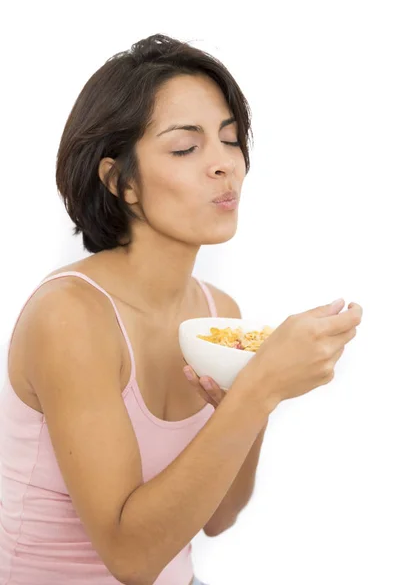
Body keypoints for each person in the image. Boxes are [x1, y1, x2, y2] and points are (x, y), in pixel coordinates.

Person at [0, 33, 363, 585]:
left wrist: (250, 403)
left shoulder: (220, 310)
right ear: (120, 181)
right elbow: (132, 560)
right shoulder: (70, 316)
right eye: (185, 148)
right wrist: (262, 385)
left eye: (231, 140)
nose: (225, 166)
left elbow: (218, 517)